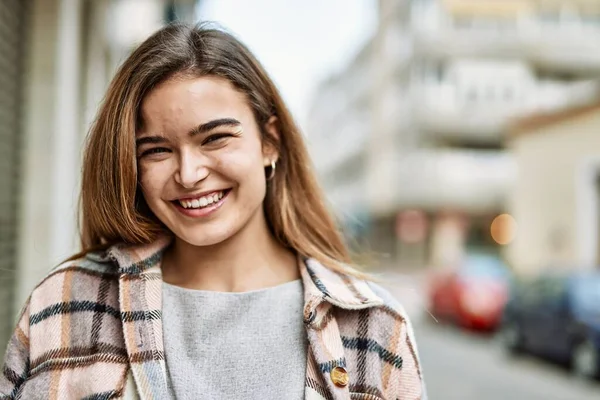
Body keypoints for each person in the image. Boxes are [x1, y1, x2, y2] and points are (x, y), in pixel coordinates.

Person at [0, 23, 426, 400]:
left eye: (215, 138)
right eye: (157, 150)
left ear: (269, 142)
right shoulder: (65, 305)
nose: (188, 174)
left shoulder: (372, 325)